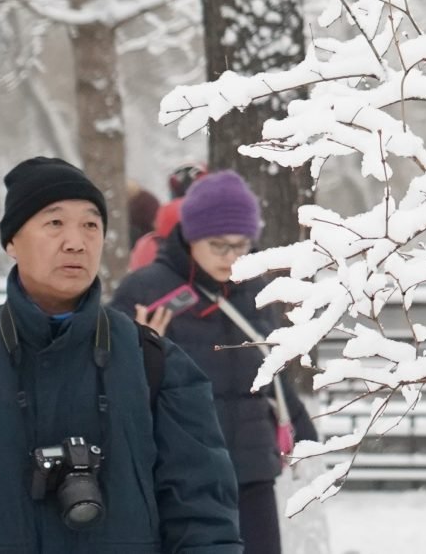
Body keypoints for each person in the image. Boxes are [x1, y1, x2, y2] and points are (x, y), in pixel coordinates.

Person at [0, 156, 240, 554]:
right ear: (11, 241)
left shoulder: (154, 361)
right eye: (54, 223)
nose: (76, 241)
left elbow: (204, 518)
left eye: (90, 225)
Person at [111, 169, 317, 554]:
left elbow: (270, 370)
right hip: (183, 474)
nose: (231, 257)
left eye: (241, 245)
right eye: (218, 245)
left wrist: (302, 429)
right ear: (191, 237)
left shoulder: (255, 288)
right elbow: (110, 384)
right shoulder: (145, 290)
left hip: (253, 470)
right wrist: (139, 350)